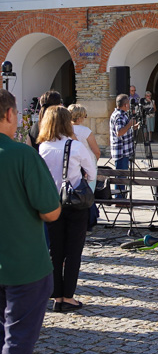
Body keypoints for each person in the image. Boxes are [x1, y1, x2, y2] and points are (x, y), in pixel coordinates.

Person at [0, 89, 61, 354]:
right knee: (18, 340)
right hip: (23, 261)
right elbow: (51, 211)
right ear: (10, 115)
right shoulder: (21, 155)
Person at [38, 106, 97, 313]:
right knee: (73, 251)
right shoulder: (75, 146)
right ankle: (68, 296)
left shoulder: (43, 147)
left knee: (55, 250)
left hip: (52, 202)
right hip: (73, 203)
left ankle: (56, 295)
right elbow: (91, 172)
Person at [109, 94, 137, 197]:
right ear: (125, 104)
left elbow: (123, 130)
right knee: (121, 177)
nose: (129, 105)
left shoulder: (122, 114)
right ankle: (119, 199)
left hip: (124, 151)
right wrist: (129, 124)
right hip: (121, 152)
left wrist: (132, 127)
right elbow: (119, 132)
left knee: (122, 176)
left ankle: (121, 197)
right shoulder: (119, 116)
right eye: (128, 103)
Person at [69, 105, 100, 187]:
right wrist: (93, 163)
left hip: (71, 165)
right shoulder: (86, 131)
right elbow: (96, 151)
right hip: (87, 165)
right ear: (80, 118)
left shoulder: (64, 130)